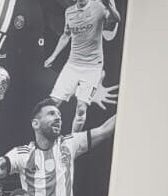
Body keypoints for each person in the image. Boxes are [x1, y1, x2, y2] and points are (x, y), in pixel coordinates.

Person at [0, 97, 116, 196]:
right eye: (51, 114)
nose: (58, 118)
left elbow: (105, 130)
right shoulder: (22, 154)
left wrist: (128, 103)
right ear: (35, 123)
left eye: (59, 115)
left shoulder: (69, 143)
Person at [45, 0, 121, 132]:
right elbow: (66, 35)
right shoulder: (69, 12)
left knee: (81, 108)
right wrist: (53, 56)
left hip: (92, 67)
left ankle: (73, 141)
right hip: (73, 65)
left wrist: (109, 5)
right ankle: (47, 138)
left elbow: (115, 20)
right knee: (53, 103)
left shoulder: (99, 6)